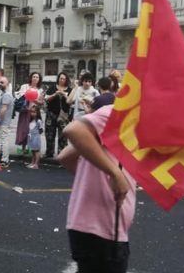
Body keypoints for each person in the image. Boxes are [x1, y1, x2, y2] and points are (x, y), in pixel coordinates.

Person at [58, 105, 136, 273]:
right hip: (103, 228)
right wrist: (114, 173)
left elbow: (65, 157)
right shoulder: (120, 113)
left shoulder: (132, 125)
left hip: (97, 227)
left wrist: (93, 179)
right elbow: (74, 130)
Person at [44, 72, 72, 158]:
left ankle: (62, 154)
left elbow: (71, 101)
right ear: (58, 79)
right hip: (51, 114)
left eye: (64, 79)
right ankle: (49, 152)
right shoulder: (52, 88)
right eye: (60, 78)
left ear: (66, 80)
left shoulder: (70, 90)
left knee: (63, 135)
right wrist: (55, 94)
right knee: (49, 134)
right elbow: (46, 99)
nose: (62, 80)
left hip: (64, 116)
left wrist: (64, 95)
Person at [15, 72, 44, 153]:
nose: (35, 78)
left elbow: (41, 102)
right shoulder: (24, 86)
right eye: (33, 76)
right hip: (25, 111)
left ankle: (32, 148)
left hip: (34, 113)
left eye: (37, 77)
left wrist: (34, 100)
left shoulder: (40, 90)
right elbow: (20, 97)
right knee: (24, 130)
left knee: (33, 130)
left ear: (39, 79)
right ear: (31, 78)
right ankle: (23, 148)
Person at [0, 76, 14, 168]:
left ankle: (5, 160)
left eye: (2, 82)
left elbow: (3, 109)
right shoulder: (5, 94)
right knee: (4, 140)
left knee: (4, 140)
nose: (0, 84)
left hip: (4, 123)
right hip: (4, 122)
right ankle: (5, 159)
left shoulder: (6, 95)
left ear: (7, 84)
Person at [25, 105, 43, 169]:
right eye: (31, 112)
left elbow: (41, 130)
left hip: (36, 138)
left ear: (38, 113)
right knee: (33, 151)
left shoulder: (38, 121)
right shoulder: (30, 120)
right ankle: (32, 162)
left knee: (36, 151)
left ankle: (36, 164)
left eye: (34, 112)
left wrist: (36, 134)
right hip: (31, 137)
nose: (32, 113)